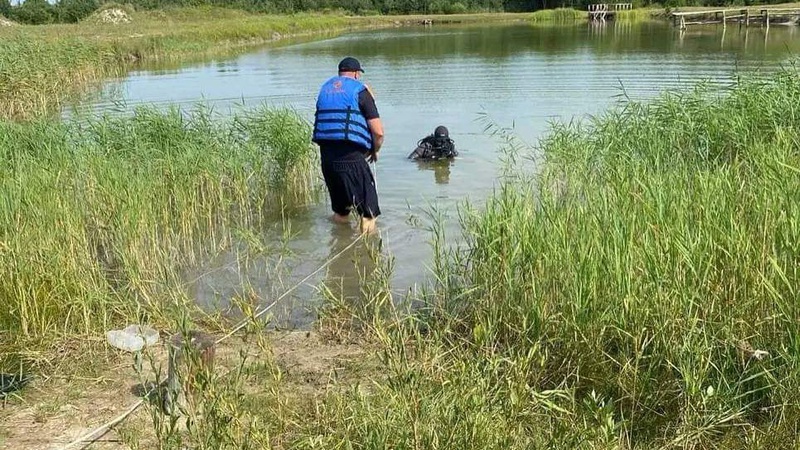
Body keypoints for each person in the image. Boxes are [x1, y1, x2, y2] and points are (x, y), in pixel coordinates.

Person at [312, 57, 385, 234]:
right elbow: (378, 132)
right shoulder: (361, 91)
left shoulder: (325, 89)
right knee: (368, 213)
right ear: (356, 73)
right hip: (351, 158)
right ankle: (368, 256)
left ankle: (338, 243)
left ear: (340, 73)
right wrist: (375, 150)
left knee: (341, 212)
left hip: (327, 160)